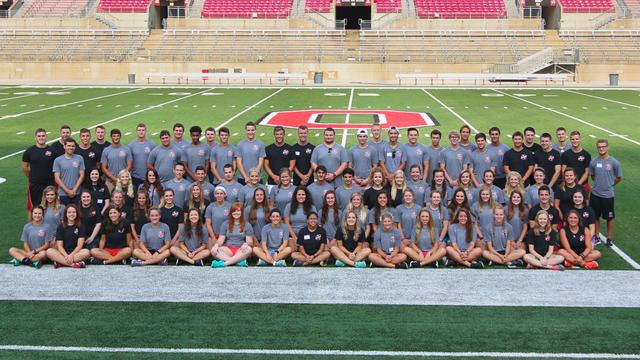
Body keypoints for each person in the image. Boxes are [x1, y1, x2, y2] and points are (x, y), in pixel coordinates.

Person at [589, 139, 622, 247]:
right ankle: (597, 236)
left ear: (607, 147)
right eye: (599, 147)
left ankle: (609, 237)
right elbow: (593, 176)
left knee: (609, 217)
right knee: (596, 216)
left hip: (608, 195)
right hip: (595, 194)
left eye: (603, 146)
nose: (601, 148)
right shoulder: (594, 162)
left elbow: (618, 177)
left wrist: (610, 185)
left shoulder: (614, 162)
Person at [46, 204, 90, 268]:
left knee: (87, 252)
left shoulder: (81, 226)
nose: (71, 214)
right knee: (49, 251)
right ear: (66, 214)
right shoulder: (61, 227)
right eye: (69, 212)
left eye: (74, 212)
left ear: (77, 213)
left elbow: (80, 245)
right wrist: (66, 256)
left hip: (76, 252)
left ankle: (61, 263)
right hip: (63, 253)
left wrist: (71, 255)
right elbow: (60, 246)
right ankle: (73, 264)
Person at [211, 202, 254, 268]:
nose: (236, 213)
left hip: (240, 250)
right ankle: (237, 262)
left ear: (242, 212)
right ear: (231, 212)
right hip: (228, 249)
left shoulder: (247, 225)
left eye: (238, 211)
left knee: (249, 249)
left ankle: (223, 264)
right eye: (234, 211)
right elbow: (221, 240)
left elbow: (250, 241)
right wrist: (216, 245)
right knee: (214, 251)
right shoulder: (225, 224)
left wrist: (246, 244)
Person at [22, 128, 55, 210]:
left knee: (49, 207)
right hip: (35, 185)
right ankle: (33, 223)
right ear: (35, 137)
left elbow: (56, 167)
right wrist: (32, 177)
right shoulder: (29, 151)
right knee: (34, 208)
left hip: (49, 184)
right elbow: (24, 167)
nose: (41, 138)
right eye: (39, 136)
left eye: (43, 136)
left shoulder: (52, 151)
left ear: (46, 137)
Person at [53, 139, 85, 205]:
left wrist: (74, 190)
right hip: (62, 194)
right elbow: (57, 178)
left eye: (73, 146)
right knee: (63, 214)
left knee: (77, 214)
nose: (71, 148)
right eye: (69, 146)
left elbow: (82, 175)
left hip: (77, 193)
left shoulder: (79, 158)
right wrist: (67, 191)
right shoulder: (58, 160)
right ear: (64, 146)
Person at [128, 123, 155, 189]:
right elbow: (129, 162)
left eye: (143, 130)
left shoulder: (151, 144)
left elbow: (154, 160)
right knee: (137, 197)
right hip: (135, 177)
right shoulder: (131, 145)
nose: (141, 132)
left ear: (146, 131)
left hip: (148, 176)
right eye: (139, 130)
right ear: (136, 131)